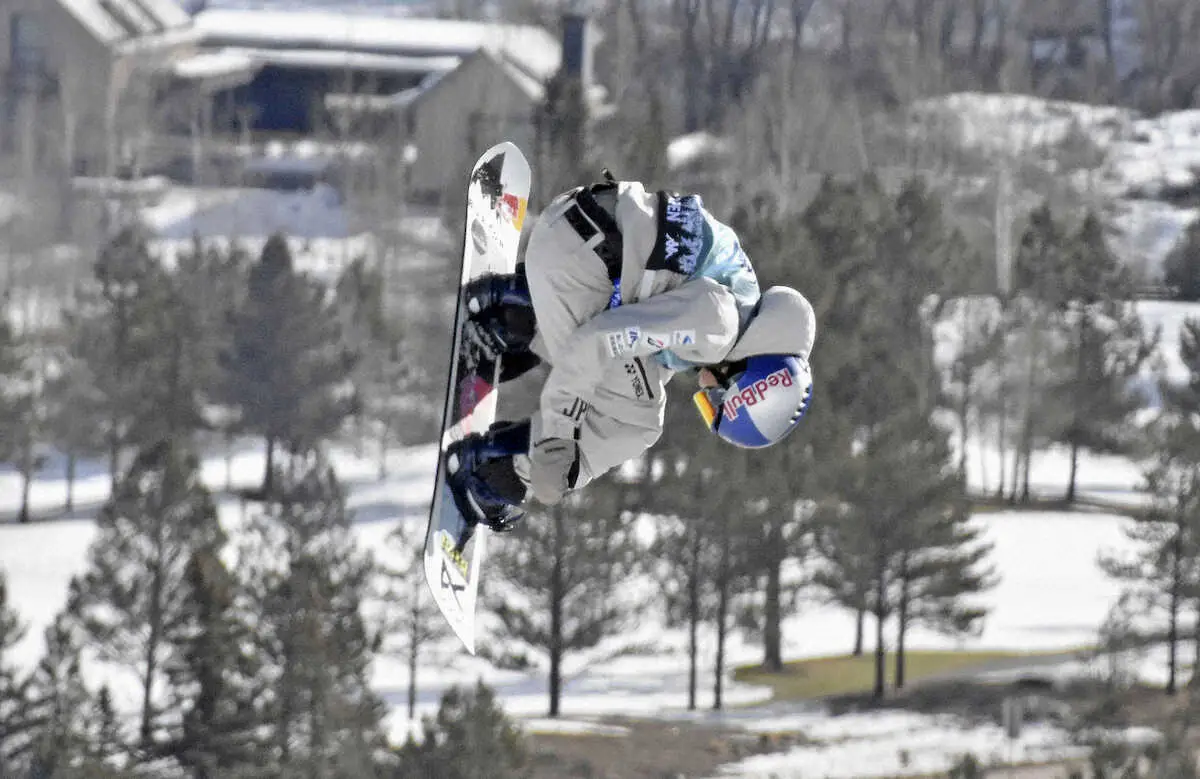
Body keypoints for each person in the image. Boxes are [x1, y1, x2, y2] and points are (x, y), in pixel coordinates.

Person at [445, 173, 817, 531]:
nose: (703, 389)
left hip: (574, 234)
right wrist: (557, 438)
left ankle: (516, 317)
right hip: (574, 268)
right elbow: (599, 341)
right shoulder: (719, 327)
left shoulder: (737, 293)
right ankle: (494, 470)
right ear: (743, 378)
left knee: (625, 387)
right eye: (716, 397)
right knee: (635, 421)